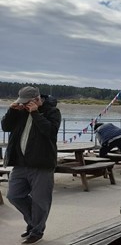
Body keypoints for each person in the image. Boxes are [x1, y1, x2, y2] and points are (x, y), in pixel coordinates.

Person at [1, 86, 61, 244]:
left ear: (36, 100)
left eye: (26, 103)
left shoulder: (52, 111)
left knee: (41, 201)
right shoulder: (20, 111)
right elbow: (5, 127)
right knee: (14, 195)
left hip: (42, 164)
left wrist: (35, 113)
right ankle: (34, 223)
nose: (23, 105)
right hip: (20, 163)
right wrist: (12, 110)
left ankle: (36, 231)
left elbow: (50, 132)